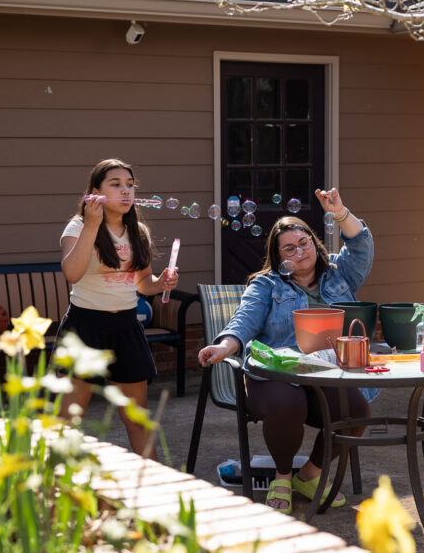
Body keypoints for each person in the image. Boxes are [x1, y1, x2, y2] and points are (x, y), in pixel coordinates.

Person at [197, 188, 373, 514]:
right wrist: (224, 347)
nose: (299, 251)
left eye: (304, 242)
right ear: (280, 259)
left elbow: (360, 246)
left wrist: (340, 212)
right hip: (276, 373)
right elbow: (245, 321)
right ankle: (281, 477)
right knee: (286, 401)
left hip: (325, 375)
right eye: (289, 248)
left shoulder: (340, 274)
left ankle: (309, 475)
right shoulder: (267, 285)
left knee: (357, 411)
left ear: (315, 244)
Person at [57, 159, 179, 458]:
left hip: (126, 328)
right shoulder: (78, 226)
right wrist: (92, 224)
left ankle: (154, 488)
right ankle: (53, 490)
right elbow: (71, 273)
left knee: (136, 420)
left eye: (129, 185)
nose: (126, 191)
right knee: (68, 420)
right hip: (86, 328)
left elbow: (142, 284)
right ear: (95, 191)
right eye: (116, 184)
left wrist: (161, 282)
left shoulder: (138, 231)